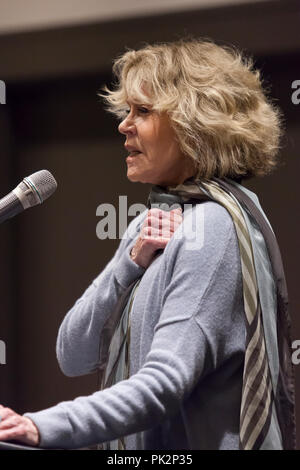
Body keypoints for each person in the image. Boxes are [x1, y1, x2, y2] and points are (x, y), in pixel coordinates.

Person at [0, 38, 296, 450]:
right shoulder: (152, 223)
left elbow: (164, 383)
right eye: (127, 111)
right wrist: (127, 266)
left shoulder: (212, 226)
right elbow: (73, 354)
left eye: (143, 111)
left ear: (197, 124)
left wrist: (40, 427)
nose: (124, 124)